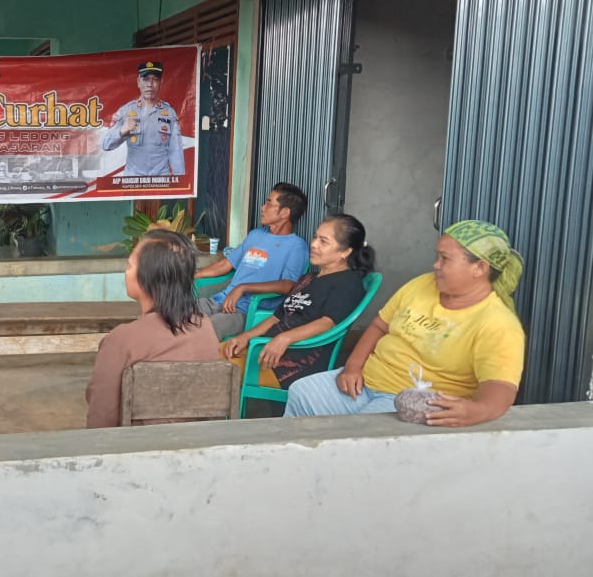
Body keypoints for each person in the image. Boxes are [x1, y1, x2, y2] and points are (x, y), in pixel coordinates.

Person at [285, 220, 525, 427]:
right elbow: (379, 326)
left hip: (412, 401)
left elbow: (500, 385)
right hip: (363, 382)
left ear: (479, 268)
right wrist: (353, 367)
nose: (436, 265)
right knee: (302, 392)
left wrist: (478, 410)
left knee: (360, 432)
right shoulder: (421, 285)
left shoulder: (497, 323)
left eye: (445, 259)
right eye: (437, 256)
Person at [86, 229, 222, 428]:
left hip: (141, 445)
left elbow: (102, 416)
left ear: (148, 277)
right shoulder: (206, 328)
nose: (126, 272)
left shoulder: (122, 339)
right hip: (199, 442)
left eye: (130, 265)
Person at [223, 214, 373, 390]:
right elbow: (276, 317)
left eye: (323, 241)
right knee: (209, 355)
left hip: (291, 366)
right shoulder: (307, 279)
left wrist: (285, 338)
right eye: (315, 237)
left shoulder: (347, 283)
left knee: (214, 371)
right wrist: (245, 337)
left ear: (345, 252)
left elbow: (327, 323)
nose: (314, 244)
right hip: (263, 350)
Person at [194, 182, 310, 340]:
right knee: (171, 314)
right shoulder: (256, 235)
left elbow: (288, 285)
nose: (262, 208)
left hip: (245, 311)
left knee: (202, 331)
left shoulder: (297, 246)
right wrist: (195, 274)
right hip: (220, 300)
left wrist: (243, 287)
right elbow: (225, 264)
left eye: (269, 203)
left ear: (284, 212)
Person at [101, 61, 185, 177]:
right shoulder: (126, 111)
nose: (150, 84)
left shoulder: (169, 113)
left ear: (160, 83)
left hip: (161, 180)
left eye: (155, 79)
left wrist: (180, 180)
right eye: (145, 79)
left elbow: (176, 151)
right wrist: (122, 131)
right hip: (133, 179)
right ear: (138, 82)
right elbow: (106, 144)